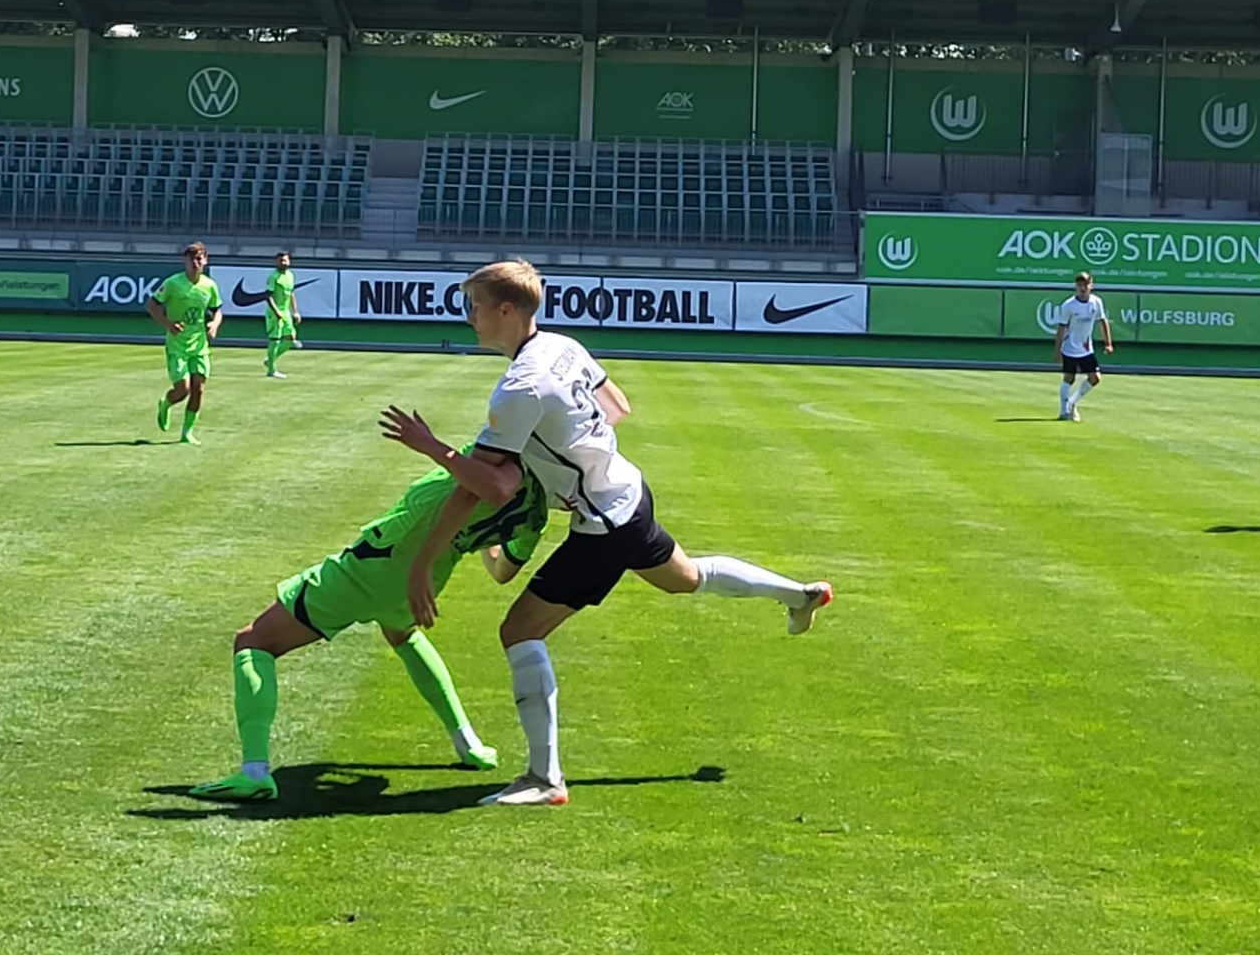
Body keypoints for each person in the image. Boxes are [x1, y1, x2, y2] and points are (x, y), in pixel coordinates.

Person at [379, 259, 832, 809]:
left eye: (474, 306)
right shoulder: (562, 346)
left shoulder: (518, 389)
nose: (469, 318)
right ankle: (800, 595)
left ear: (505, 310)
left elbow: (489, 487)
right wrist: (574, 453)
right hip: (629, 490)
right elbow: (616, 406)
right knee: (684, 579)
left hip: (603, 525)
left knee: (519, 631)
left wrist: (432, 453)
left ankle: (545, 780)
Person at [188, 452, 551, 802]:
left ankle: (253, 771)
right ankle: (468, 743)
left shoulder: (494, 456)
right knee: (403, 634)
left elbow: (467, 480)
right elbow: (504, 570)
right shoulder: (536, 515)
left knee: (254, 641)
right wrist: (485, 544)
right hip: (429, 578)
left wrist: (426, 442)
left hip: (380, 564)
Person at [147, 242, 222, 445]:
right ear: (185, 261)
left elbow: (217, 310)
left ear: (205, 261)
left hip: (199, 345)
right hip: (178, 345)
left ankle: (187, 433)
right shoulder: (173, 283)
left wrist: (214, 324)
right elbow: (152, 305)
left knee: (199, 389)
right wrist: (168, 324)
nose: (196, 263)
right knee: (183, 389)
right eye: (192, 259)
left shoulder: (209, 286)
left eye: (200, 259)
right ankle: (166, 404)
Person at [1054, 271, 1114, 422]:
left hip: (1086, 348)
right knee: (1069, 378)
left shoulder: (1096, 302)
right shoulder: (1069, 305)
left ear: (1091, 285)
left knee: (1095, 378)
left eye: (1085, 285)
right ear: (1076, 286)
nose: (1082, 288)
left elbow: (1102, 321)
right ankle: (1063, 411)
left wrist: (1108, 343)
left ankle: (1072, 402)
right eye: (1080, 285)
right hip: (1069, 348)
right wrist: (1057, 351)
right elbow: (1061, 327)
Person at [263, 251, 302, 379]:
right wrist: (276, 312)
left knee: (290, 338)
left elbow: (291, 294)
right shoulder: (273, 277)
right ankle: (271, 370)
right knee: (275, 339)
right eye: (281, 260)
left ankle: (270, 360)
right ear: (276, 262)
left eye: (285, 260)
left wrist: (295, 311)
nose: (283, 263)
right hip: (274, 312)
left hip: (285, 312)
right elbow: (268, 296)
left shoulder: (290, 275)